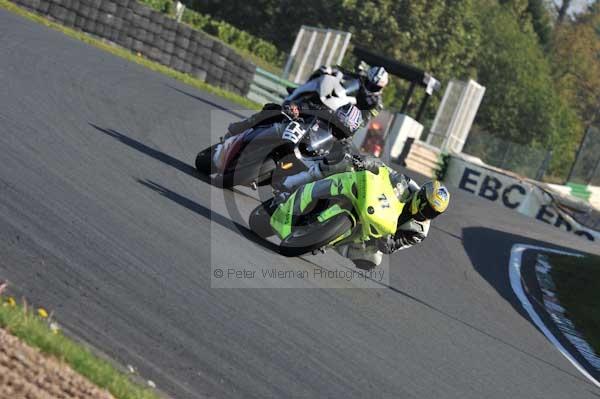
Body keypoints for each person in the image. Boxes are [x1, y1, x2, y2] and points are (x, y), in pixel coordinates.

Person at [226, 65, 389, 137]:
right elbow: (343, 75)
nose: (369, 86)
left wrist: (352, 121)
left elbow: (364, 120)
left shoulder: (376, 104)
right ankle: (244, 126)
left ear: (380, 87)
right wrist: (331, 71)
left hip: (341, 123)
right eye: (368, 82)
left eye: (373, 86)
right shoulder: (359, 78)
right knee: (279, 110)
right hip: (327, 105)